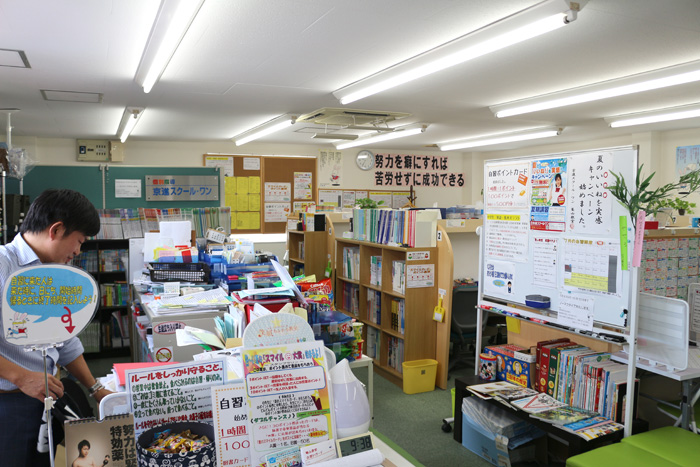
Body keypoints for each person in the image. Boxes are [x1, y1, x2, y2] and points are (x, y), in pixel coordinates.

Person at [0, 189, 113, 466]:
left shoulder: (54, 273)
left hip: (45, 398)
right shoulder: (4, 265)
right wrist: (21, 377)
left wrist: (95, 388)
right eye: (79, 241)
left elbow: (65, 340)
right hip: (9, 402)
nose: (77, 252)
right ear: (56, 230)